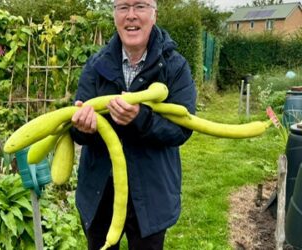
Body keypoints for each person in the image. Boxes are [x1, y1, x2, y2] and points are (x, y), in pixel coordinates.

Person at [70, 0, 197, 249]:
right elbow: (75, 126)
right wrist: (83, 128)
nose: (131, 16)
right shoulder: (96, 65)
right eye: (123, 7)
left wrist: (141, 119)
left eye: (139, 6)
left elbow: (181, 130)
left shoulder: (175, 66)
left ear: (154, 14)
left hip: (151, 193)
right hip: (100, 191)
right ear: (115, 14)